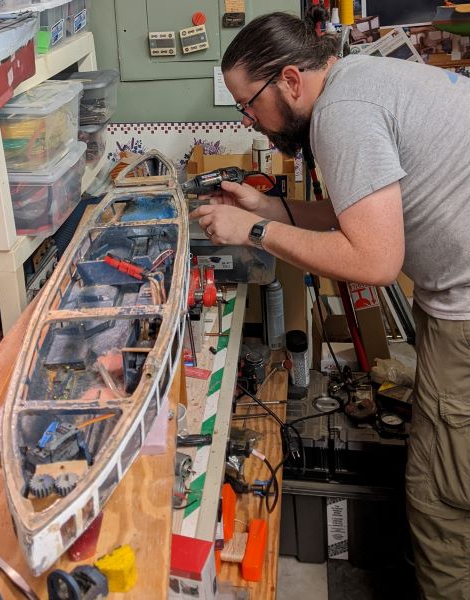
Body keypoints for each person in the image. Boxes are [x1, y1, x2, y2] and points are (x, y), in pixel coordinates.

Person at [189, 7, 470, 600]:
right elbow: (360, 216)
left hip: (464, 314)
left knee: (441, 503)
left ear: (290, 81)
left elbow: (373, 261)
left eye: (249, 104)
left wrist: (252, 233)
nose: (251, 121)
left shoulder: (340, 115)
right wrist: (267, 209)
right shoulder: (361, 80)